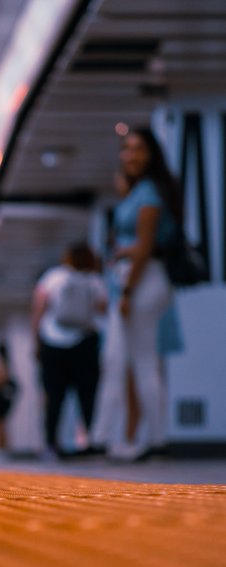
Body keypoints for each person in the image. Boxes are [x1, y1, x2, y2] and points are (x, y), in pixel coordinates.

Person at [101, 126, 182, 461]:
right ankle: (123, 436)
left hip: (144, 281)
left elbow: (145, 247)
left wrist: (127, 291)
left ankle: (152, 438)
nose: (130, 155)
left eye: (138, 149)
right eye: (126, 148)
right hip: (141, 279)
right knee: (127, 360)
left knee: (141, 361)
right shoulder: (138, 192)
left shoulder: (148, 193)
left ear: (151, 155)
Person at [31, 242, 107, 458]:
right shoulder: (94, 280)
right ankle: (90, 441)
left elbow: (38, 308)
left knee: (54, 396)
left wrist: (36, 341)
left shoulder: (53, 277)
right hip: (85, 342)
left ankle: (51, 444)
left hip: (53, 342)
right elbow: (103, 309)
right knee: (87, 396)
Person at [0, 339, 19, 455]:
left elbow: (1, 379)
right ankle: (3, 447)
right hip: (3, 396)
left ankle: (1, 448)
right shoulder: (7, 362)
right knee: (2, 423)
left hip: (0, 396)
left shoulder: (2, 363)